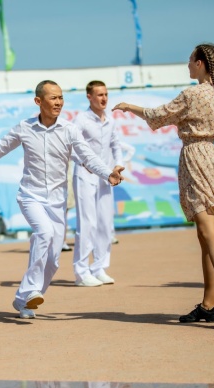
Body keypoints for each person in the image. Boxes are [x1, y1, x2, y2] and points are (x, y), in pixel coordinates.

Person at [0, 80, 124, 319]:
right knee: (44, 233)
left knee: (53, 261)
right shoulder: (25, 128)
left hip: (57, 202)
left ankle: (23, 300)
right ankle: (32, 290)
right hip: (31, 197)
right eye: (53, 98)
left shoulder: (69, 130)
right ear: (38, 101)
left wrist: (108, 173)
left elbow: (88, 156)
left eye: (61, 97)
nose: (59, 102)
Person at [112, 44, 214, 330]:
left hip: (196, 158)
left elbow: (158, 114)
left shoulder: (193, 94)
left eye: (190, 60)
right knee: (205, 234)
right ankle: (209, 304)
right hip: (210, 155)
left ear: (200, 63)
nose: (187, 65)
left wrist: (128, 106)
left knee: (208, 233)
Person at [71, 80, 123, 287]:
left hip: (106, 177)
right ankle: (81, 272)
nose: (104, 98)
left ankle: (99, 268)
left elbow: (116, 145)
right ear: (89, 97)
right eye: (99, 95)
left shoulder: (110, 120)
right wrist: (83, 163)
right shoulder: (81, 120)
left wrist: (118, 164)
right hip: (85, 176)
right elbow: (71, 146)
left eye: (106, 94)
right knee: (87, 224)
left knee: (105, 224)